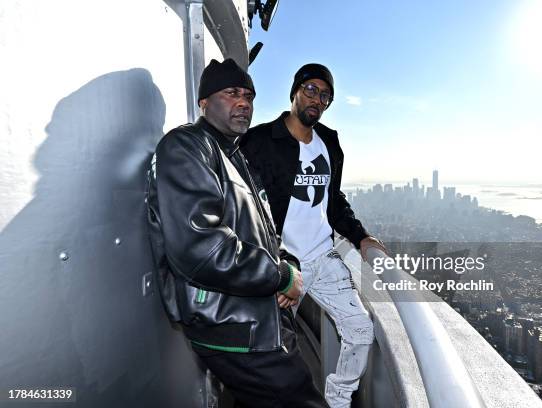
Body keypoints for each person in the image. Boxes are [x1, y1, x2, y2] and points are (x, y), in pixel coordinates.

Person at [146, 58, 327, 408]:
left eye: (248, 95)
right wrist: (280, 275)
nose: (244, 102)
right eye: (231, 93)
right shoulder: (186, 147)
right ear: (204, 102)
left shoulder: (236, 157)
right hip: (229, 324)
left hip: (252, 316)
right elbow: (203, 249)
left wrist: (287, 262)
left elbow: (265, 234)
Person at [241, 63, 385, 407]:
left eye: (325, 95)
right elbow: (245, 206)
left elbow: (333, 201)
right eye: (310, 90)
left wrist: (361, 236)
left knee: (361, 331)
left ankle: (337, 399)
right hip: (283, 264)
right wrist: (276, 264)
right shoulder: (260, 140)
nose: (317, 99)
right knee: (271, 354)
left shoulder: (330, 142)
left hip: (324, 256)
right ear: (294, 92)